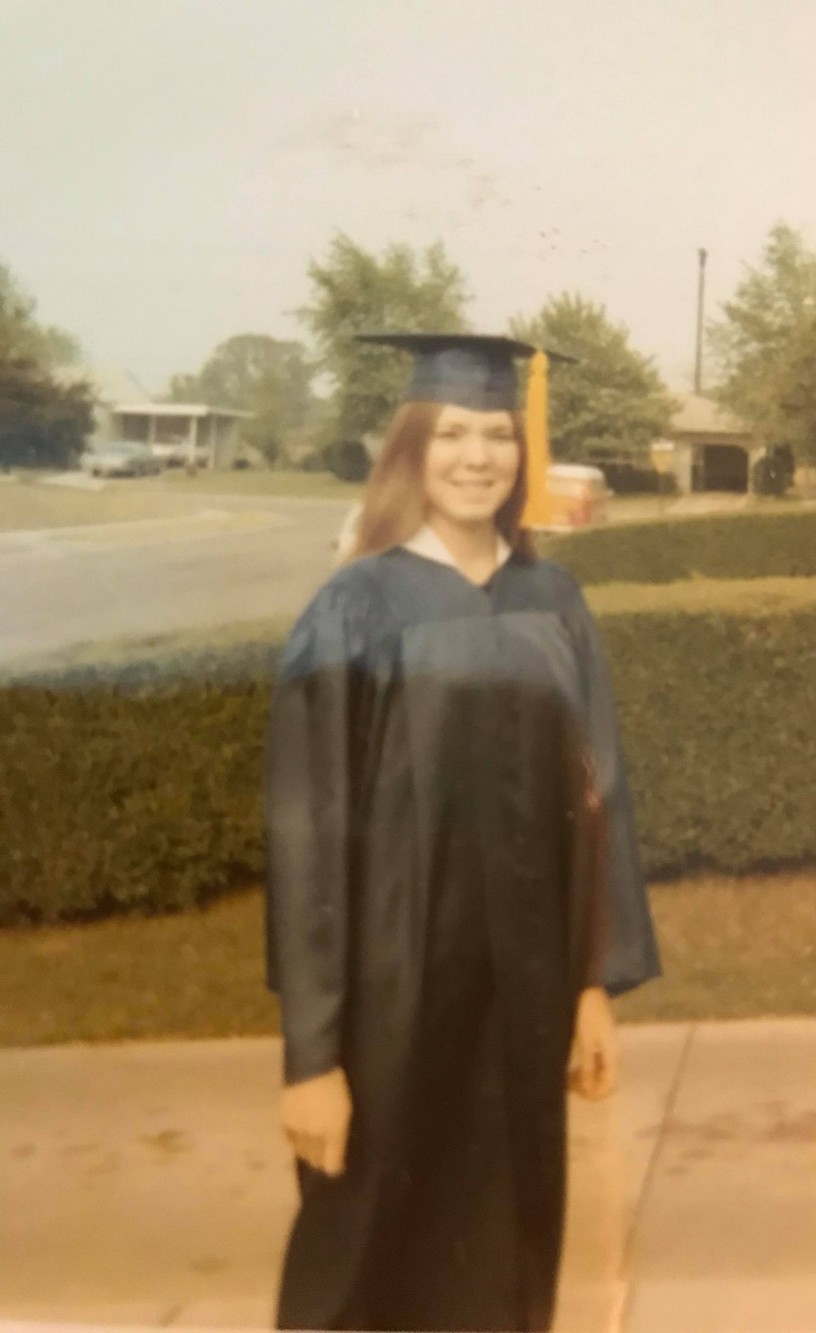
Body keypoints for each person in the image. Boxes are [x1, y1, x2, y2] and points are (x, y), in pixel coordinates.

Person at [264, 333, 661, 1333]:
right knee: (363, 1263)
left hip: (522, 998)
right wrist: (311, 1058)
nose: (477, 456)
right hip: (388, 1008)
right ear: (410, 450)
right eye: (450, 434)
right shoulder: (355, 606)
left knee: (508, 1259)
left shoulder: (552, 601)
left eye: (496, 433)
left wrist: (590, 983)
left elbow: (596, 797)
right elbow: (308, 837)